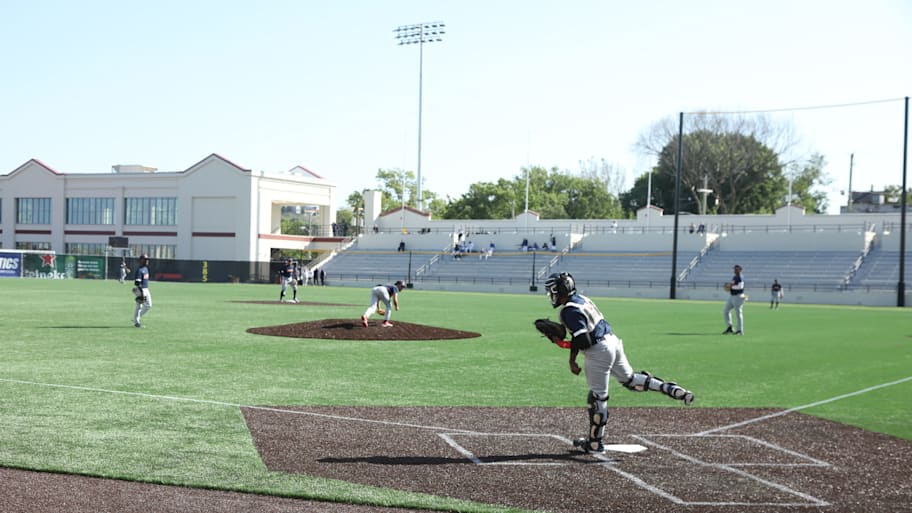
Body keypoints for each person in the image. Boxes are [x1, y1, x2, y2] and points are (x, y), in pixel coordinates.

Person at [543, 272, 694, 454]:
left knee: (598, 398)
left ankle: (594, 443)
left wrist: (561, 344)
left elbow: (583, 340)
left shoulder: (568, 311)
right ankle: (669, 389)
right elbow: (582, 335)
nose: (552, 295)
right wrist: (572, 358)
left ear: (559, 291)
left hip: (598, 351)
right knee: (630, 380)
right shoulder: (581, 299)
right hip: (613, 342)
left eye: (553, 291)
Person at [723, 264, 746, 334]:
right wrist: (729, 286)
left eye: (736, 269)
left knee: (738, 313)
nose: (735, 270)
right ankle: (729, 327)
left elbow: (740, 287)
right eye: (734, 269)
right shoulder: (735, 277)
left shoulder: (740, 277)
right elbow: (732, 284)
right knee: (726, 311)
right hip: (732, 296)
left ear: (740, 270)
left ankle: (739, 330)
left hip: (738, 296)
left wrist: (730, 287)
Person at [132, 254, 152, 328]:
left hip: (145, 289)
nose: (147, 261)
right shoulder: (140, 270)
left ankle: (135, 318)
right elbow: (137, 283)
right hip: (141, 289)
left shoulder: (146, 269)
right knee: (139, 305)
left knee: (148, 305)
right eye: (145, 259)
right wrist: (141, 293)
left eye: (147, 259)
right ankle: (136, 322)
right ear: (141, 260)